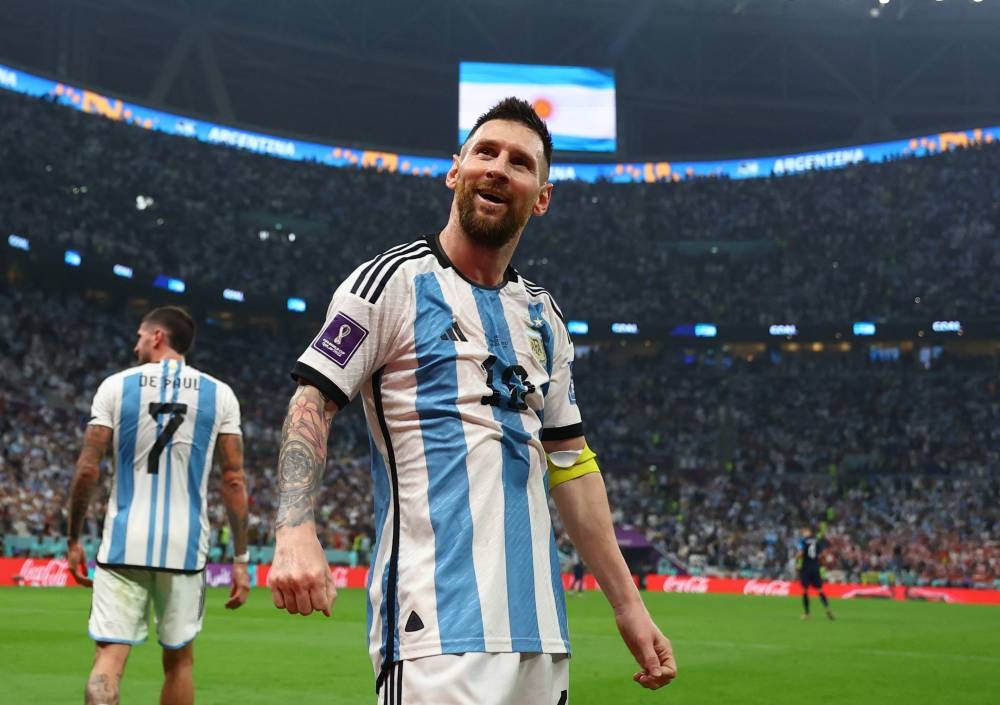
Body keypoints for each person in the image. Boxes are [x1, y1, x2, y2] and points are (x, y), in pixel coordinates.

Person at [268, 97, 677, 704]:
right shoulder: (390, 284)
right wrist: (294, 528)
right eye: (485, 151)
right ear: (454, 170)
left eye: (520, 162)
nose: (498, 167)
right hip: (436, 627)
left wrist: (628, 605)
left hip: (540, 635)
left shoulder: (544, 317)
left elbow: (570, 463)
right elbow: (313, 400)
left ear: (541, 196)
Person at [66, 306, 251, 705]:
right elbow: (233, 479)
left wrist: (73, 538)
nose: (135, 344)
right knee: (180, 661)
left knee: (109, 656)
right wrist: (240, 557)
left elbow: (86, 470)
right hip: (184, 546)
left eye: (139, 335)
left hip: (122, 542)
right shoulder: (220, 394)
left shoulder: (115, 387)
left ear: (157, 337)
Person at [797, 525, 835, 620]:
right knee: (820, 590)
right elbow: (822, 555)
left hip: (806, 567)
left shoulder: (803, 541)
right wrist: (821, 562)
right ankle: (828, 609)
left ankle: (807, 614)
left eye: (804, 531)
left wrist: (796, 559)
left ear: (808, 531)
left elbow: (800, 554)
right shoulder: (817, 541)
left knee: (805, 590)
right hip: (815, 567)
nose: (803, 533)